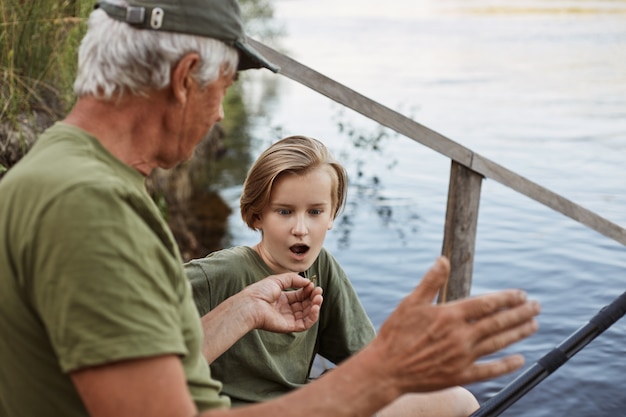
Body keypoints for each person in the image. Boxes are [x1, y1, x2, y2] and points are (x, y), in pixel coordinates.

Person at [0, 1, 540, 416]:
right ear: (185, 77)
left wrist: (244, 309)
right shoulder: (89, 208)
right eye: (225, 86)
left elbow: (147, 369)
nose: (219, 118)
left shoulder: (56, 168)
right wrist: (376, 377)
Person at [186, 135, 479, 416]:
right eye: (285, 212)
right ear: (257, 215)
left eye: (315, 212)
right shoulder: (219, 273)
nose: (300, 228)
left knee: (460, 401)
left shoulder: (320, 267)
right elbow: (148, 343)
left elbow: (365, 359)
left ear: (332, 215)